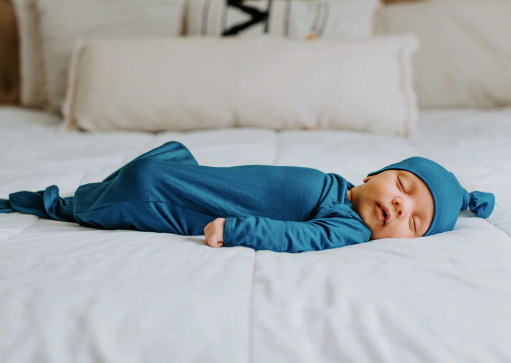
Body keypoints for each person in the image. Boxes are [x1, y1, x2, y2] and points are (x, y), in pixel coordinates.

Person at [0, 141, 495, 253]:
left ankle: (56, 205)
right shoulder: (341, 188)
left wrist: (238, 230)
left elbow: (300, 237)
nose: (402, 207)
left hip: (168, 200)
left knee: (101, 200)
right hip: (181, 174)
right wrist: (467, 197)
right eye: (404, 186)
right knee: (169, 157)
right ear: (374, 173)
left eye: (415, 222)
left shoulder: (347, 226)